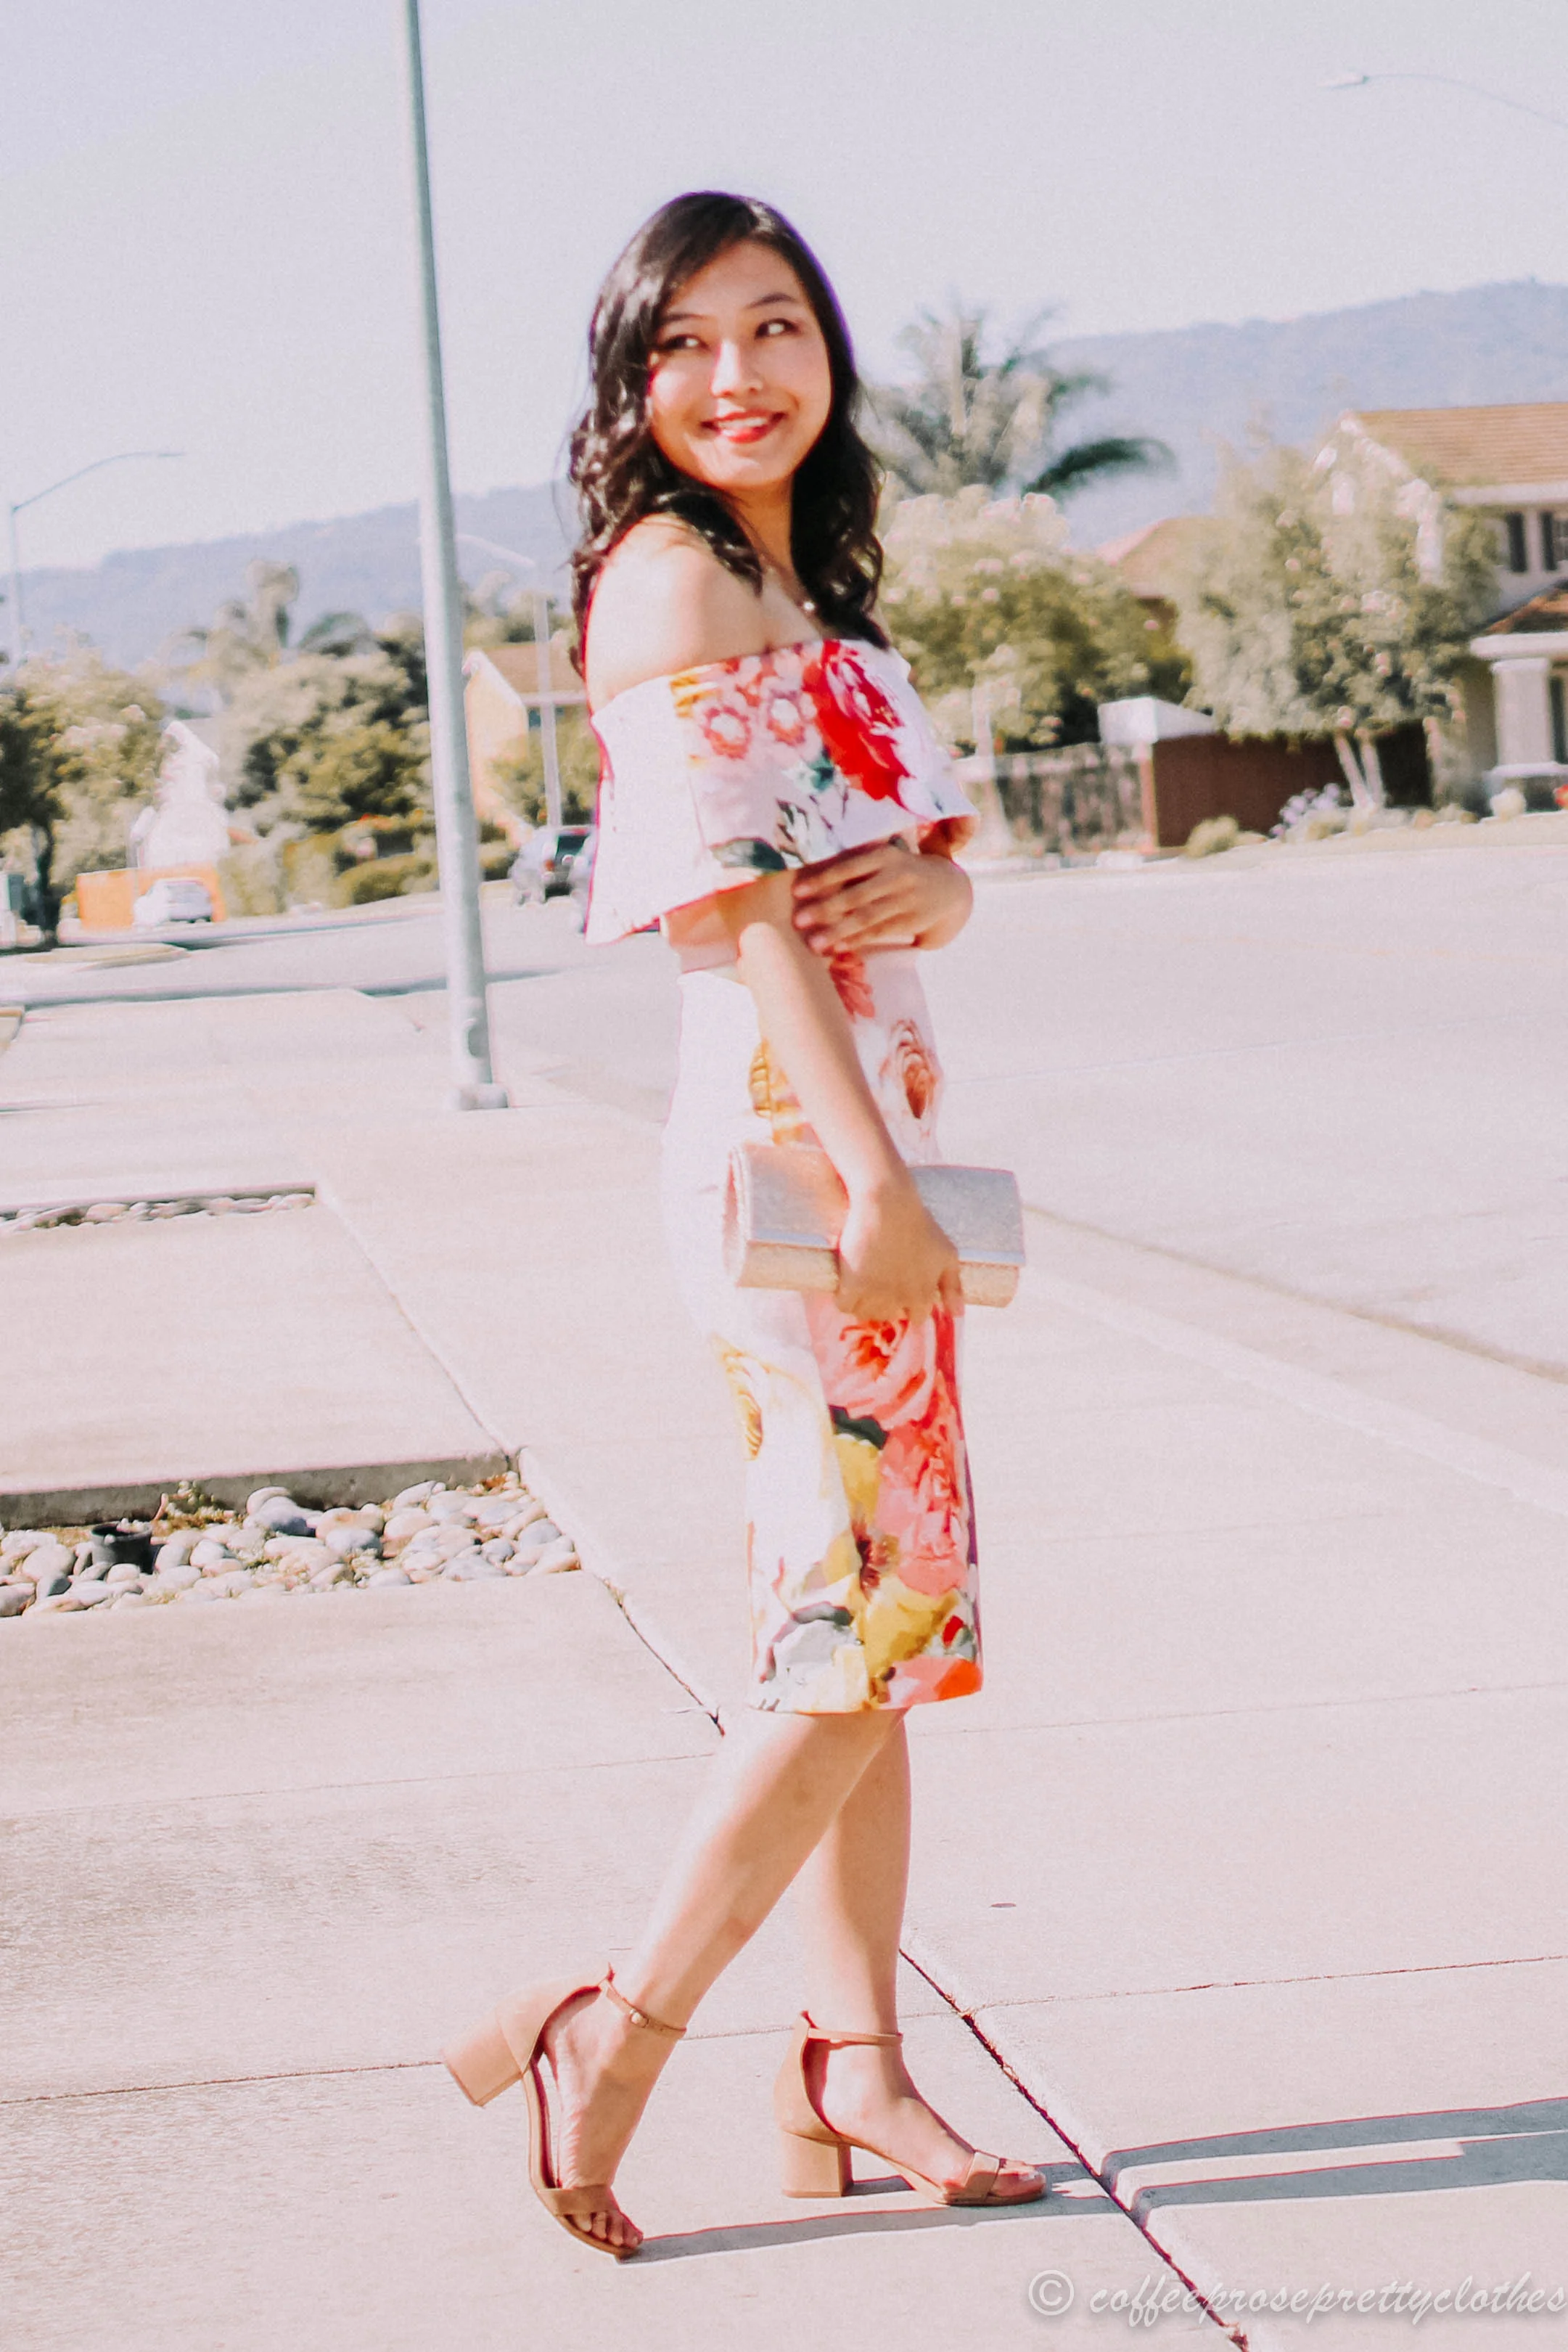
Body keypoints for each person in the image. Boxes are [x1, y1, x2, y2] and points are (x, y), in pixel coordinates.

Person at [442, 192, 1043, 2258]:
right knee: (855, 1624)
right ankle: (614, 2030)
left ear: (829, 352)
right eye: (687, 346)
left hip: (870, 1151)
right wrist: (867, 1173)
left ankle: (853, 2065)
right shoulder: (669, 582)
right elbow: (728, 912)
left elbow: (897, 866)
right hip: (801, 1157)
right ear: (632, 386)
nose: (740, 376)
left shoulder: (809, 579)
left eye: (776, 329)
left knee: (885, 1630)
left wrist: (947, 896)